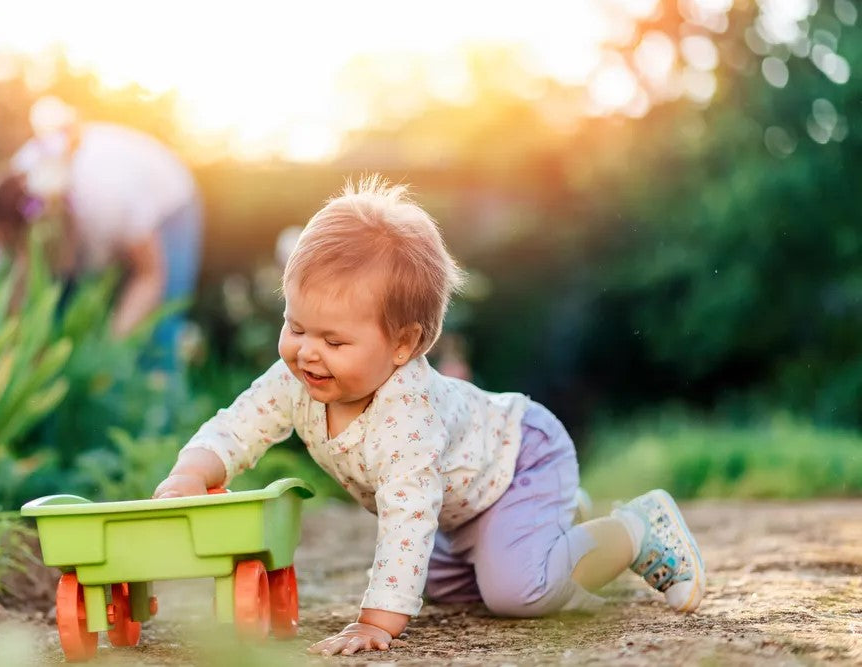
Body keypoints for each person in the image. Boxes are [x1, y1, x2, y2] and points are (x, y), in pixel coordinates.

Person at [153, 177, 705, 656]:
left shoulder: (406, 415)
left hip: (521, 458)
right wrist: (194, 472)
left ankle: (636, 529)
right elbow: (238, 423)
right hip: (466, 507)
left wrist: (377, 621)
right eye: (295, 327)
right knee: (444, 586)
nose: (307, 352)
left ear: (403, 344)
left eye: (334, 339)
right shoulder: (296, 380)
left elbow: (409, 518)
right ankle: (555, 523)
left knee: (516, 591)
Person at [0, 114, 202, 368]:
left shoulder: (107, 202)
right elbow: (16, 297)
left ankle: (155, 398)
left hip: (167, 201)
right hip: (100, 210)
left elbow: (149, 277)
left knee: (154, 332)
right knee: (55, 322)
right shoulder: (3, 208)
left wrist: (107, 352)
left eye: (51, 251)